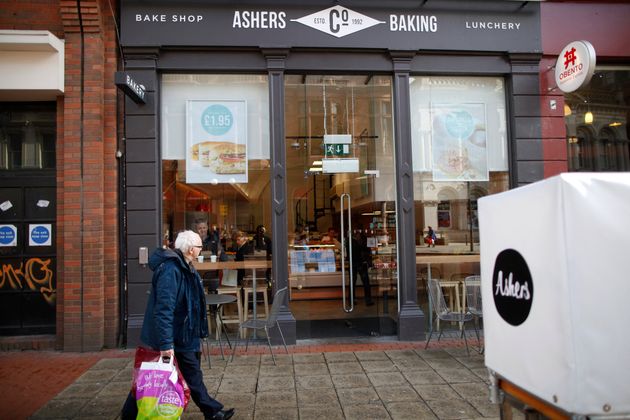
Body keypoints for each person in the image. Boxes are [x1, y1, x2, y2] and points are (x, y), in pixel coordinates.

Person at [121, 230, 234, 420]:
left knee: (185, 375)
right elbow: (164, 309)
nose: (201, 250)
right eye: (200, 247)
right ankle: (130, 413)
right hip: (172, 335)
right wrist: (166, 344)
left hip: (182, 332)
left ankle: (212, 411)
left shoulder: (183, 266)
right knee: (154, 376)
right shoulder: (171, 270)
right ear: (191, 249)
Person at [349, 229, 374, 306]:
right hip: (359, 263)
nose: (358, 235)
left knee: (355, 282)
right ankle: (367, 300)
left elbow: (367, 249)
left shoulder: (351, 241)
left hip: (356, 263)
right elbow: (367, 250)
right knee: (364, 282)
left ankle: (353, 300)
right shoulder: (356, 241)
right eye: (357, 233)